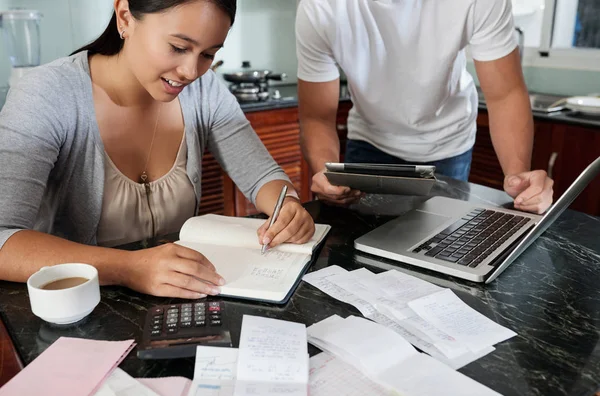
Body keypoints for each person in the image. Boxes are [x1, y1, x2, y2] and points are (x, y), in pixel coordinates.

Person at [0, 0, 315, 299]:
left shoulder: (205, 92)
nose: (191, 72)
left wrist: (285, 205)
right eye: (178, 48)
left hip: (178, 302)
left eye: (208, 54)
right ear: (125, 17)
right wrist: (128, 268)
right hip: (78, 316)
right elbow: (3, 238)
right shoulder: (47, 95)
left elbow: (263, 175)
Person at [296, 0, 554, 214]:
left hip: (446, 143)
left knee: (439, 248)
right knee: (357, 248)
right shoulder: (320, 7)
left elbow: (505, 94)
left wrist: (518, 177)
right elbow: (317, 117)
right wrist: (325, 171)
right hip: (370, 142)